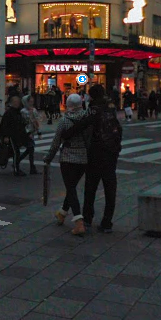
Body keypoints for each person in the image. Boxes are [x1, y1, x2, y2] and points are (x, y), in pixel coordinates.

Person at [70, 85, 122, 233]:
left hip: (96, 152)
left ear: (91, 96)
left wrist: (65, 133)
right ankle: (107, 222)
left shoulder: (94, 109)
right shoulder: (110, 107)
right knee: (110, 188)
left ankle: (87, 218)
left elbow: (81, 125)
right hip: (111, 153)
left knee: (91, 187)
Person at [44, 93, 89, 237]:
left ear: (68, 105)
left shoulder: (64, 121)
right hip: (83, 158)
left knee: (70, 189)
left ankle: (79, 222)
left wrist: (48, 158)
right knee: (72, 188)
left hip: (68, 158)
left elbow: (56, 141)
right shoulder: (87, 119)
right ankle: (62, 213)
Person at [0, 94, 29, 175]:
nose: (17, 103)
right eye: (15, 102)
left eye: (18, 102)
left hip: (16, 134)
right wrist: (6, 136)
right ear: (12, 103)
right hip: (11, 135)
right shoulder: (9, 112)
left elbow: (20, 123)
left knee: (13, 152)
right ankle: (16, 169)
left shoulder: (18, 112)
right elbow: (5, 125)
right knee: (16, 152)